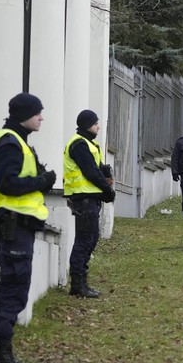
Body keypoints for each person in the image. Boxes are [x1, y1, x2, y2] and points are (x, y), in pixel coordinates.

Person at [0, 93, 57, 363]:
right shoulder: (9, 142)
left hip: (15, 224)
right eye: (38, 113)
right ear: (24, 114)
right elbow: (7, 183)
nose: (42, 117)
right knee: (14, 289)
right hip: (12, 224)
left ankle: (5, 357)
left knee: (15, 288)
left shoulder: (11, 139)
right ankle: (3, 361)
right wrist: (42, 182)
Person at [63, 110, 116, 298]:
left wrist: (105, 171)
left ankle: (82, 282)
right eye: (95, 123)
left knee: (91, 238)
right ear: (87, 125)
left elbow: (96, 167)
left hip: (90, 199)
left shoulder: (88, 144)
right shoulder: (78, 144)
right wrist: (107, 190)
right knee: (84, 240)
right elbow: (90, 171)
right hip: (83, 199)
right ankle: (77, 284)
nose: (98, 126)